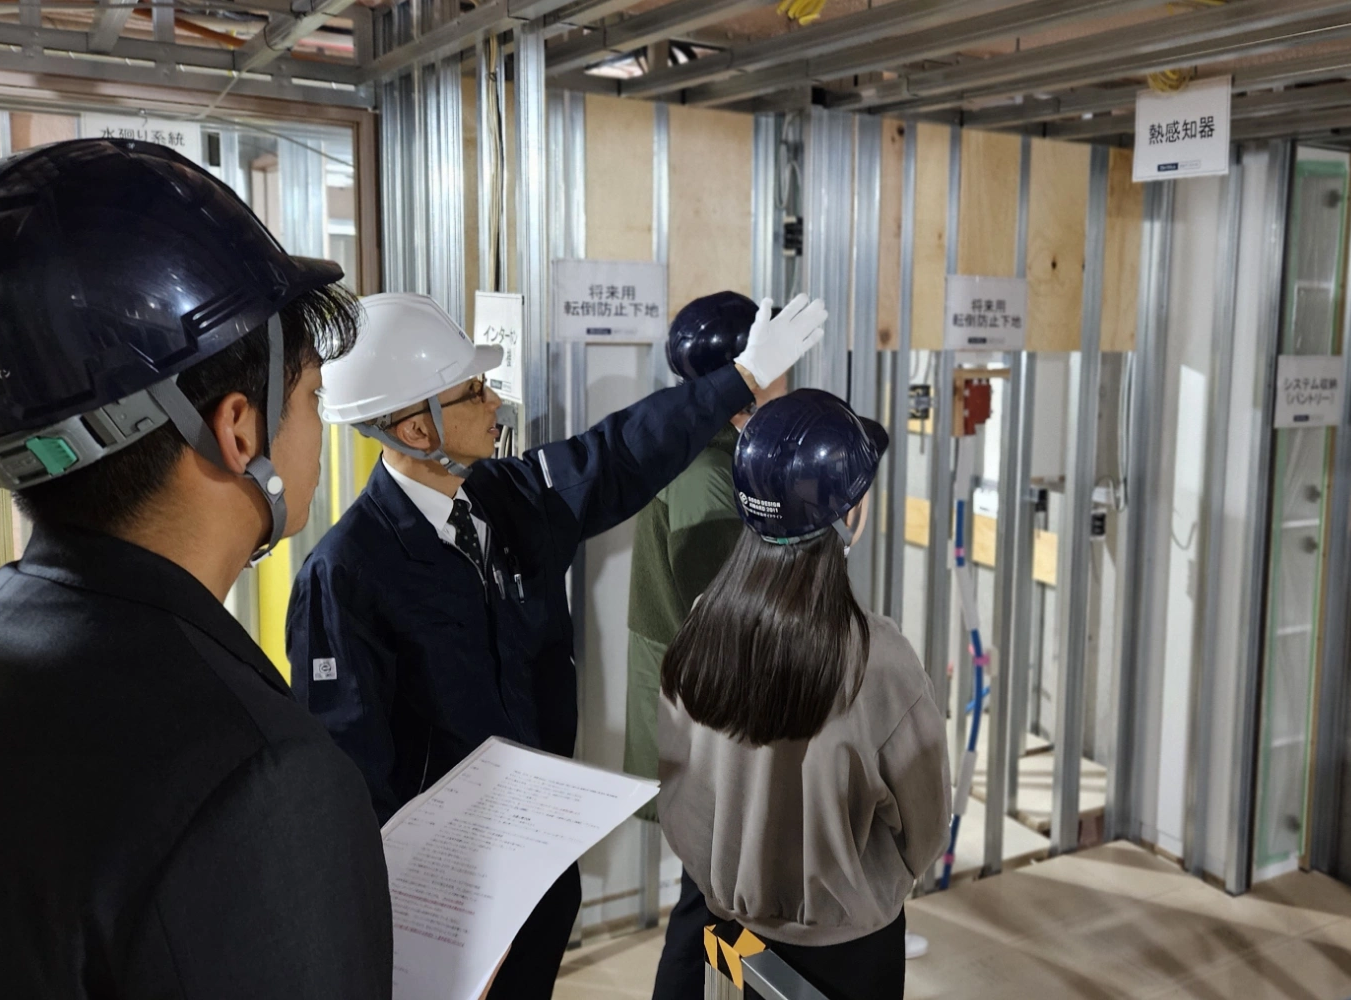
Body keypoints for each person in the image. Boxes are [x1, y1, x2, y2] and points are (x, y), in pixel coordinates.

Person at [286, 289, 827, 999]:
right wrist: (411, 934)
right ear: (417, 428)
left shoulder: (506, 499)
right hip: (450, 898)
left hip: (537, 867)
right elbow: (350, 783)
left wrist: (741, 378)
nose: (494, 401)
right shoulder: (349, 573)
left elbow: (618, 453)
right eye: (472, 391)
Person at [0, 139, 391, 997]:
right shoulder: (259, 783)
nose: (319, 429)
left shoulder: (3, 628)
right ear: (238, 429)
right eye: (312, 399)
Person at [657, 389, 951, 1000]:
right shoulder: (879, 659)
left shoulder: (702, 628)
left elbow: (684, 802)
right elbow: (925, 827)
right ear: (847, 514)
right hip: (852, 950)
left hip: (731, 934)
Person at [622, 289, 785, 999]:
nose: (788, 379)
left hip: (706, 723)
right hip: (707, 731)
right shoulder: (706, 475)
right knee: (708, 903)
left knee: (713, 898)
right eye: (777, 364)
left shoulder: (720, 452)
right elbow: (727, 616)